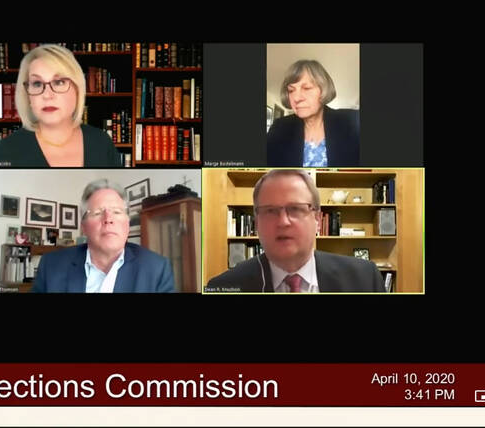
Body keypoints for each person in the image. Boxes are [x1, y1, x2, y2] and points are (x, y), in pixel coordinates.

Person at [207, 169, 384, 292]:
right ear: (257, 223)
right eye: (270, 210)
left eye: (296, 209)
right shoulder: (222, 287)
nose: (283, 221)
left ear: (317, 219)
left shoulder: (364, 278)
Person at [0, 45, 122, 167]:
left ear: (77, 89)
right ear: (28, 95)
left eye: (59, 82)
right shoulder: (2, 153)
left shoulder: (102, 142)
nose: (47, 95)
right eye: (37, 84)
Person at [33, 179, 174, 292]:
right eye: (98, 212)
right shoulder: (51, 266)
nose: (108, 219)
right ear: (84, 227)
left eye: (117, 212)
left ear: (127, 224)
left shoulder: (157, 269)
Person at [267, 60, 359, 167]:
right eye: (291, 90)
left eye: (306, 88)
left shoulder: (352, 121)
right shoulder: (279, 127)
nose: (296, 98)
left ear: (324, 89)